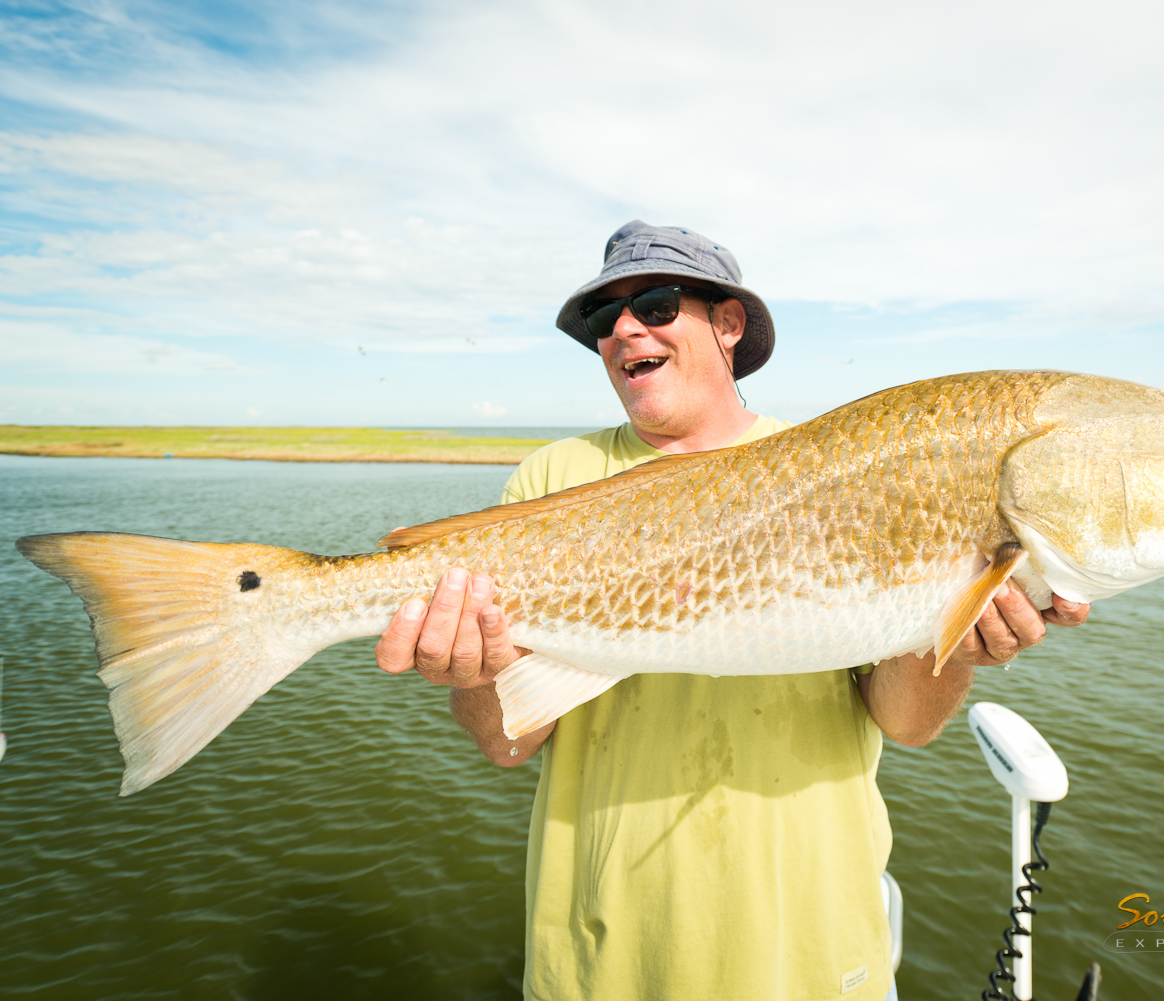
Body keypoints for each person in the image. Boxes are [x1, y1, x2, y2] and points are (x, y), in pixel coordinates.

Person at [374, 221, 1091, 1000]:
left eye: (653, 303)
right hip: (602, 966)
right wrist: (472, 673)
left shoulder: (842, 464)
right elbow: (506, 742)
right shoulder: (553, 477)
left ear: (728, 323)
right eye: (601, 318)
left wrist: (961, 641)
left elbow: (907, 723)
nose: (623, 330)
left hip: (817, 956)